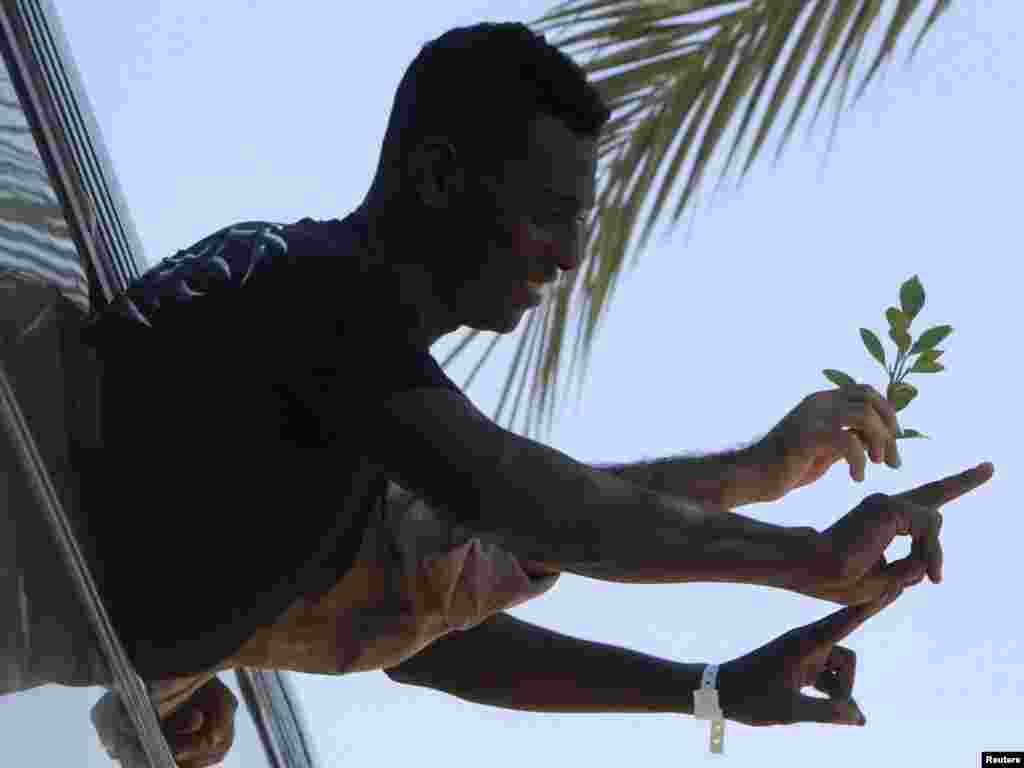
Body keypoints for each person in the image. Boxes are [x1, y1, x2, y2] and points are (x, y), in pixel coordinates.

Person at [77, 21, 994, 768]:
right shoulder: (321, 307)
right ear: (437, 176)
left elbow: (439, 629)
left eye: (579, 223)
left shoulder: (322, 360)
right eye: (548, 212)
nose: (566, 253)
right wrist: (798, 553)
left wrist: (710, 682)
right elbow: (525, 503)